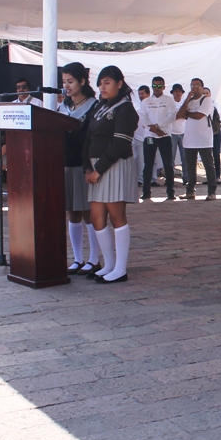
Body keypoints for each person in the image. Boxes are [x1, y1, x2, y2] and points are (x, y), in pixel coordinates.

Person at [82, 65, 139, 284]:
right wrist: (87, 167)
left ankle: (120, 269)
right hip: (96, 167)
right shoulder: (99, 106)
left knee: (116, 216)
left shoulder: (126, 109)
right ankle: (108, 264)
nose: (102, 87)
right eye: (100, 83)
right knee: (96, 217)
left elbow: (120, 144)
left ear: (119, 83)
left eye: (107, 82)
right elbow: (88, 137)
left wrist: (98, 170)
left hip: (114, 165)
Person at [57, 62, 101, 276]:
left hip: (84, 165)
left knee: (87, 212)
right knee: (72, 212)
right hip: (65, 163)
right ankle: (77, 258)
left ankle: (94, 259)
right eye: (64, 82)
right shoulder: (63, 106)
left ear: (82, 81)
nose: (66, 86)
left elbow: (93, 137)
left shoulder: (94, 106)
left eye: (71, 81)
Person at [177, 77, 217, 201]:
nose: (194, 87)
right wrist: (187, 99)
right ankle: (190, 191)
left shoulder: (207, 100)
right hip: (189, 139)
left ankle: (212, 192)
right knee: (190, 167)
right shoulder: (189, 101)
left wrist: (188, 114)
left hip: (204, 139)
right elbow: (180, 115)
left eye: (197, 85)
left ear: (202, 87)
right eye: (192, 85)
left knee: (208, 166)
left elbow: (200, 115)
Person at [139, 76, 177, 201]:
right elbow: (142, 117)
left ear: (164, 87)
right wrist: (154, 129)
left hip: (165, 136)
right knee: (148, 165)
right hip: (150, 136)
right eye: (154, 86)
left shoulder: (169, 100)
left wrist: (158, 126)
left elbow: (172, 116)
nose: (157, 88)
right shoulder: (146, 102)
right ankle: (146, 192)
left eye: (159, 86)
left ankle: (170, 192)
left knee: (168, 164)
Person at [204, 86, 221, 183]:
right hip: (205, 133)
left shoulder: (214, 104)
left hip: (215, 132)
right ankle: (210, 177)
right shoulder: (199, 105)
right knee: (207, 155)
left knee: (216, 154)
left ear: (210, 94)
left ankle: (217, 176)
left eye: (206, 93)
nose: (205, 95)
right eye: (203, 93)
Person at [170, 84, 188, 187]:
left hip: (183, 132)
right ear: (172, 93)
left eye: (179, 91)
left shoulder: (185, 103)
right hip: (171, 133)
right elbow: (170, 117)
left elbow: (187, 115)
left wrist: (178, 115)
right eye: (175, 91)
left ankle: (186, 178)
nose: (177, 93)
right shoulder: (169, 103)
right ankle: (170, 179)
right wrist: (181, 115)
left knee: (185, 158)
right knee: (170, 158)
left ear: (182, 93)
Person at [133, 85, 150, 187]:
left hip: (151, 136)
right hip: (139, 137)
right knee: (139, 158)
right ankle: (140, 178)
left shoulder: (153, 107)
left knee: (152, 159)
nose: (141, 96)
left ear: (148, 94)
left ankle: (152, 179)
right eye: (139, 94)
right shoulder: (136, 108)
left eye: (142, 93)